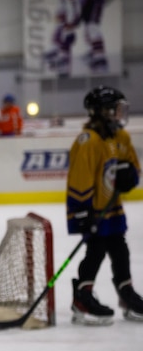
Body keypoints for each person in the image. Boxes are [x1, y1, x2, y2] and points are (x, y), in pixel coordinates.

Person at [66, 86, 142, 325]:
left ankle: (126, 294)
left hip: (113, 209)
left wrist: (131, 176)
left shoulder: (121, 137)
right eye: (116, 110)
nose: (120, 114)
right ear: (102, 112)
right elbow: (79, 180)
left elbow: (134, 167)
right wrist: (83, 213)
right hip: (93, 210)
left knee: (120, 250)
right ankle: (82, 298)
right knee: (96, 252)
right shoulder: (89, 141)